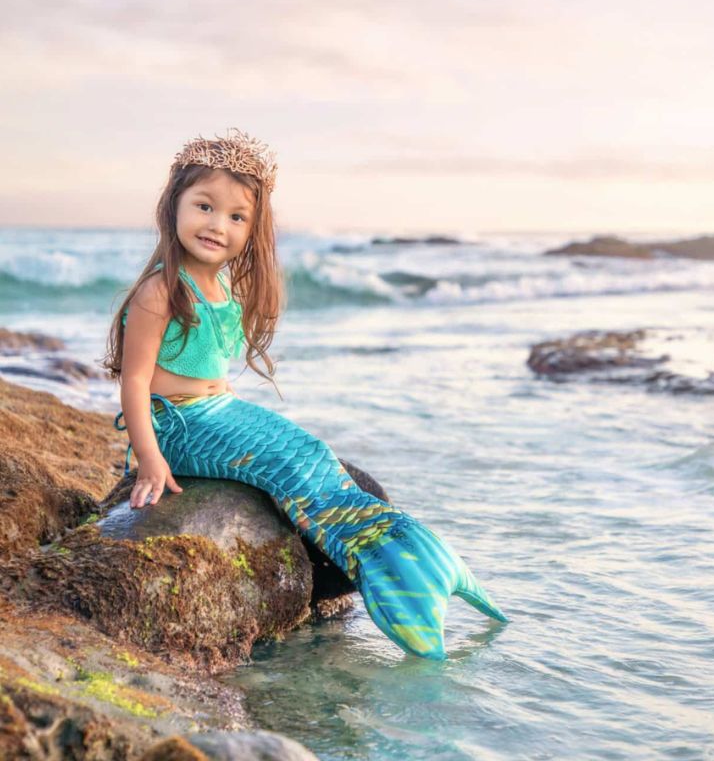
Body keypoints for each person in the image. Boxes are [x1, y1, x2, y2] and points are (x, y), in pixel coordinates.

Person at [103, 128, 507, 660]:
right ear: (173, 205)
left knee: (311, 454)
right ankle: (389, 575)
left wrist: (234, 411)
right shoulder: (160, 291)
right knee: (287, 469)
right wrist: (150, 461)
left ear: (252, 229)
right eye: (204, 206)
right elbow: (134, 382)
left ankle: (418, 554)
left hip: (214, 410)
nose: (216, 225)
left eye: (235, 217)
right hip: (177, 427)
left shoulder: (223, 288)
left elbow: (212, 372)